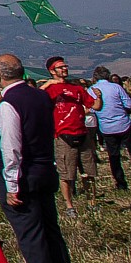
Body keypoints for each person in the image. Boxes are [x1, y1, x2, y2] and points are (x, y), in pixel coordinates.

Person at [0, 54, 77, 263]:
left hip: (24, 175)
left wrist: (12, 185)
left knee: (31, 234)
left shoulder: (9, 104)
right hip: (45, 169)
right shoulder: (39, 96)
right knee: (50, 230)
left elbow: (11, 147)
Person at [40, 58, 96, 207]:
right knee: (66, 174)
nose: (65, 69)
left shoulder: (76, 88)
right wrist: (46, 85)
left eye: (65, 66)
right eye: (60, 67)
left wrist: (99, 96)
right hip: (62, 135)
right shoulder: (49, 90)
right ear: (52, 71)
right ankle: (69, 205)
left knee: (88, 171)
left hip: (82, 132)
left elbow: (94, 105)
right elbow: (33, 101)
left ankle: (92, 201)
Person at [88, 69, 131, 190]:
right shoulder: (116, 87)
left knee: (114, 156)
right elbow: (128, 104)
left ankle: (121, 183)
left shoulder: (91, 90)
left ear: (95, 77)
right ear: (108, 76)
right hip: (123, 124)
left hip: (106, 127)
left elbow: (91, 109)